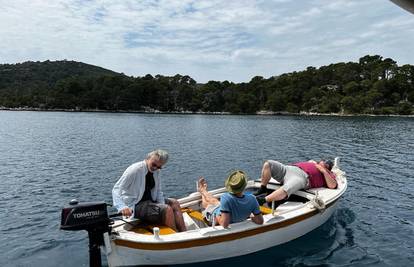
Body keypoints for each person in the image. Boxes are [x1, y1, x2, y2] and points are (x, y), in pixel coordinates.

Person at [112, 149, 186, 232]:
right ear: (148, 158)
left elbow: (158, 191)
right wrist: (122, 207)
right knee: (167, 209)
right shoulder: (135, 170)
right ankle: (175, 236)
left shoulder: (156, 171)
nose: (155, 168)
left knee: (174, 202)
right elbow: (116, 189)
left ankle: (184, 232)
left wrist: (160, 206)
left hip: (150, 202)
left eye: (159, 167)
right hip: (135, 204)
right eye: (154, 164)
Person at [197, 170, 263, 228]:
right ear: (244, 186)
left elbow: (224, 224)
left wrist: (217, 216)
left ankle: (202, 190)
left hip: (216, 216)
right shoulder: (252, 199)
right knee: (214, 201)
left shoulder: (226, 198)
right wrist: (251, 216)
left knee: (207, 205)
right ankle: (203, 190)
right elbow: (260, 221)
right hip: (226, 211)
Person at [255, 159, 337, 205]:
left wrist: (324, 171)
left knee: (287, 189)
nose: (325, 164)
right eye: (324, 161)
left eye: (327, 165)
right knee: (268, 164)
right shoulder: (313, 162)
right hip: (288, 169)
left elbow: (333, 185)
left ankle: (261, 201)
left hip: (302, 177)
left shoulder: (328, 174)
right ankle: (263, 188)